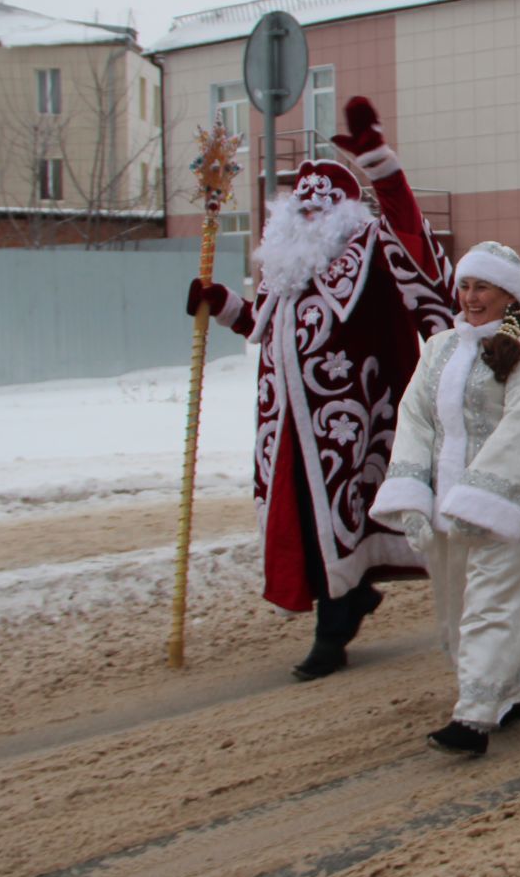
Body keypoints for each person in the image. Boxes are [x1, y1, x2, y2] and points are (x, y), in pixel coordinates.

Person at [187, 97, 455, 680]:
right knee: (305, 521)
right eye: (299, 208)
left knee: (337, 517)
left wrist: (381, 165)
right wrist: (223, 305)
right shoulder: (285, 270)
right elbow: (265, 324)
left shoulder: (370, 253)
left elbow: (411, 236)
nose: (307, 215)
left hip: (351, 423)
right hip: (288, 426)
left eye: (318, 207)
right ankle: (349, 599)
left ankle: (333, 629)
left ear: (343, 214)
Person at [370, 243, 520, 756]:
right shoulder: (440, 348)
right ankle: (516, 690)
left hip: (511, 503)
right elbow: (416, 419)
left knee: (493, 606)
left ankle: (473, 718)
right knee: (456, 609)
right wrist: (413, 496)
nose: (470, 296)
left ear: (507, 295)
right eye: (465, 285)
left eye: (482, 287)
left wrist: (483, 500)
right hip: (448, 507)